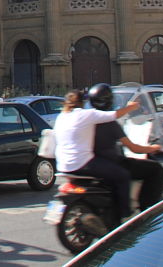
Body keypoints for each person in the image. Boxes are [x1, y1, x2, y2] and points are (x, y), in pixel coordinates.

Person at [54, 87, 140, 222]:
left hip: (62, 165)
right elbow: (114, 115)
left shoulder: (61, 117)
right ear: (82, 102)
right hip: (82, 163)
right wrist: (131, 107)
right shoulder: (86, 114)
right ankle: (126, 215)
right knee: (123, 175)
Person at [88, 83, 163, 215]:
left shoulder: (86, 120)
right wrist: (151, 148)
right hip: (112, 162)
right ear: (110, 101)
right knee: (157, 170)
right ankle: (145, 211)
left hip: (93, 163)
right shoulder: (110, 123)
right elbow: (133, 148)